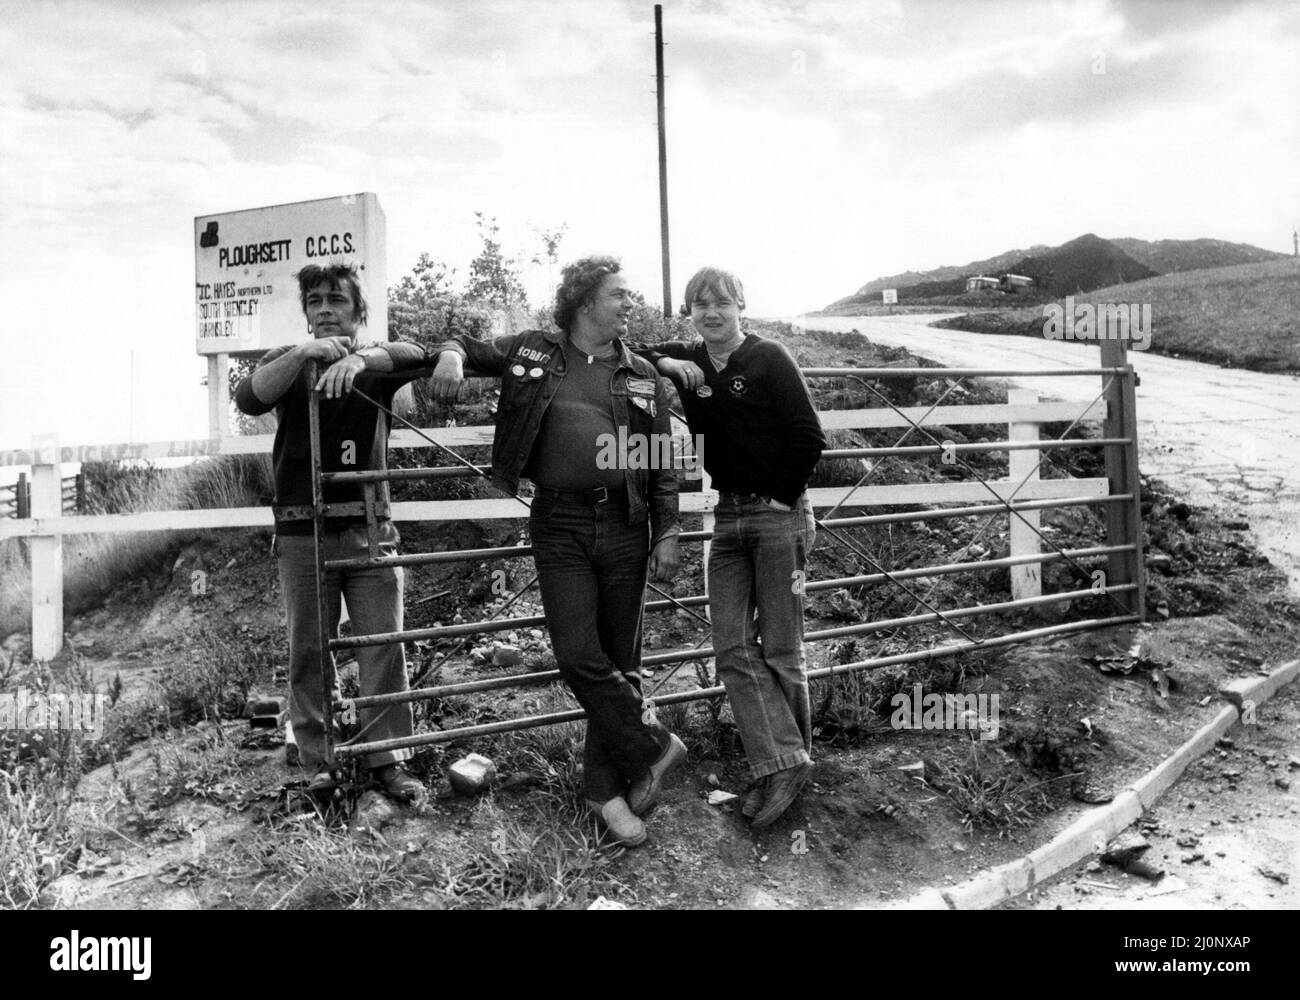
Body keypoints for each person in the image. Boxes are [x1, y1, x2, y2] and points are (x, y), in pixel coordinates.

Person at [428, 255, 686, 846]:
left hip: (627, 523)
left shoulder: (641, 373)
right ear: (585, 300)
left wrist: (668, 531)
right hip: (559, 522)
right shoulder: (533, 351)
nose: (629, 304)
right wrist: (450, 354)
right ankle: (652, 746)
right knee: (576, 653)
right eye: (620, 295)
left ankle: (605, 794)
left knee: (620, 661)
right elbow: (466, 343)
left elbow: (660, 463)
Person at [634, 266, 825, 827]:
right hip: (727, 516)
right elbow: (633, 348)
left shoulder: (770, 358)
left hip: (778, 515)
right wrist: (669, 365)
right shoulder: (690, 357)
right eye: (699, 305)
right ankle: (785, 763)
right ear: (690, 312)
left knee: (783, 651)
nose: (711, 313)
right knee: (732, 647)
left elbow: (809, 435)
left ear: (741, 304)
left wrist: (782, 499)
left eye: (721, 303)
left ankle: (784, 771)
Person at [235, 263, 426, 802]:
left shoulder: (378, 363)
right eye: (314, 301)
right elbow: (249, 397)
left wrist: (359, 358)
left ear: (357, 310)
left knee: (383, 645)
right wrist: (303, 354)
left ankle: (387, 759)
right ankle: (320, 760)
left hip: (369, 528)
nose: (323, 309)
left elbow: (418, 353)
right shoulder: (287, 362)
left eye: (336, 300)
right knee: (309, 650)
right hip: (302, 531)